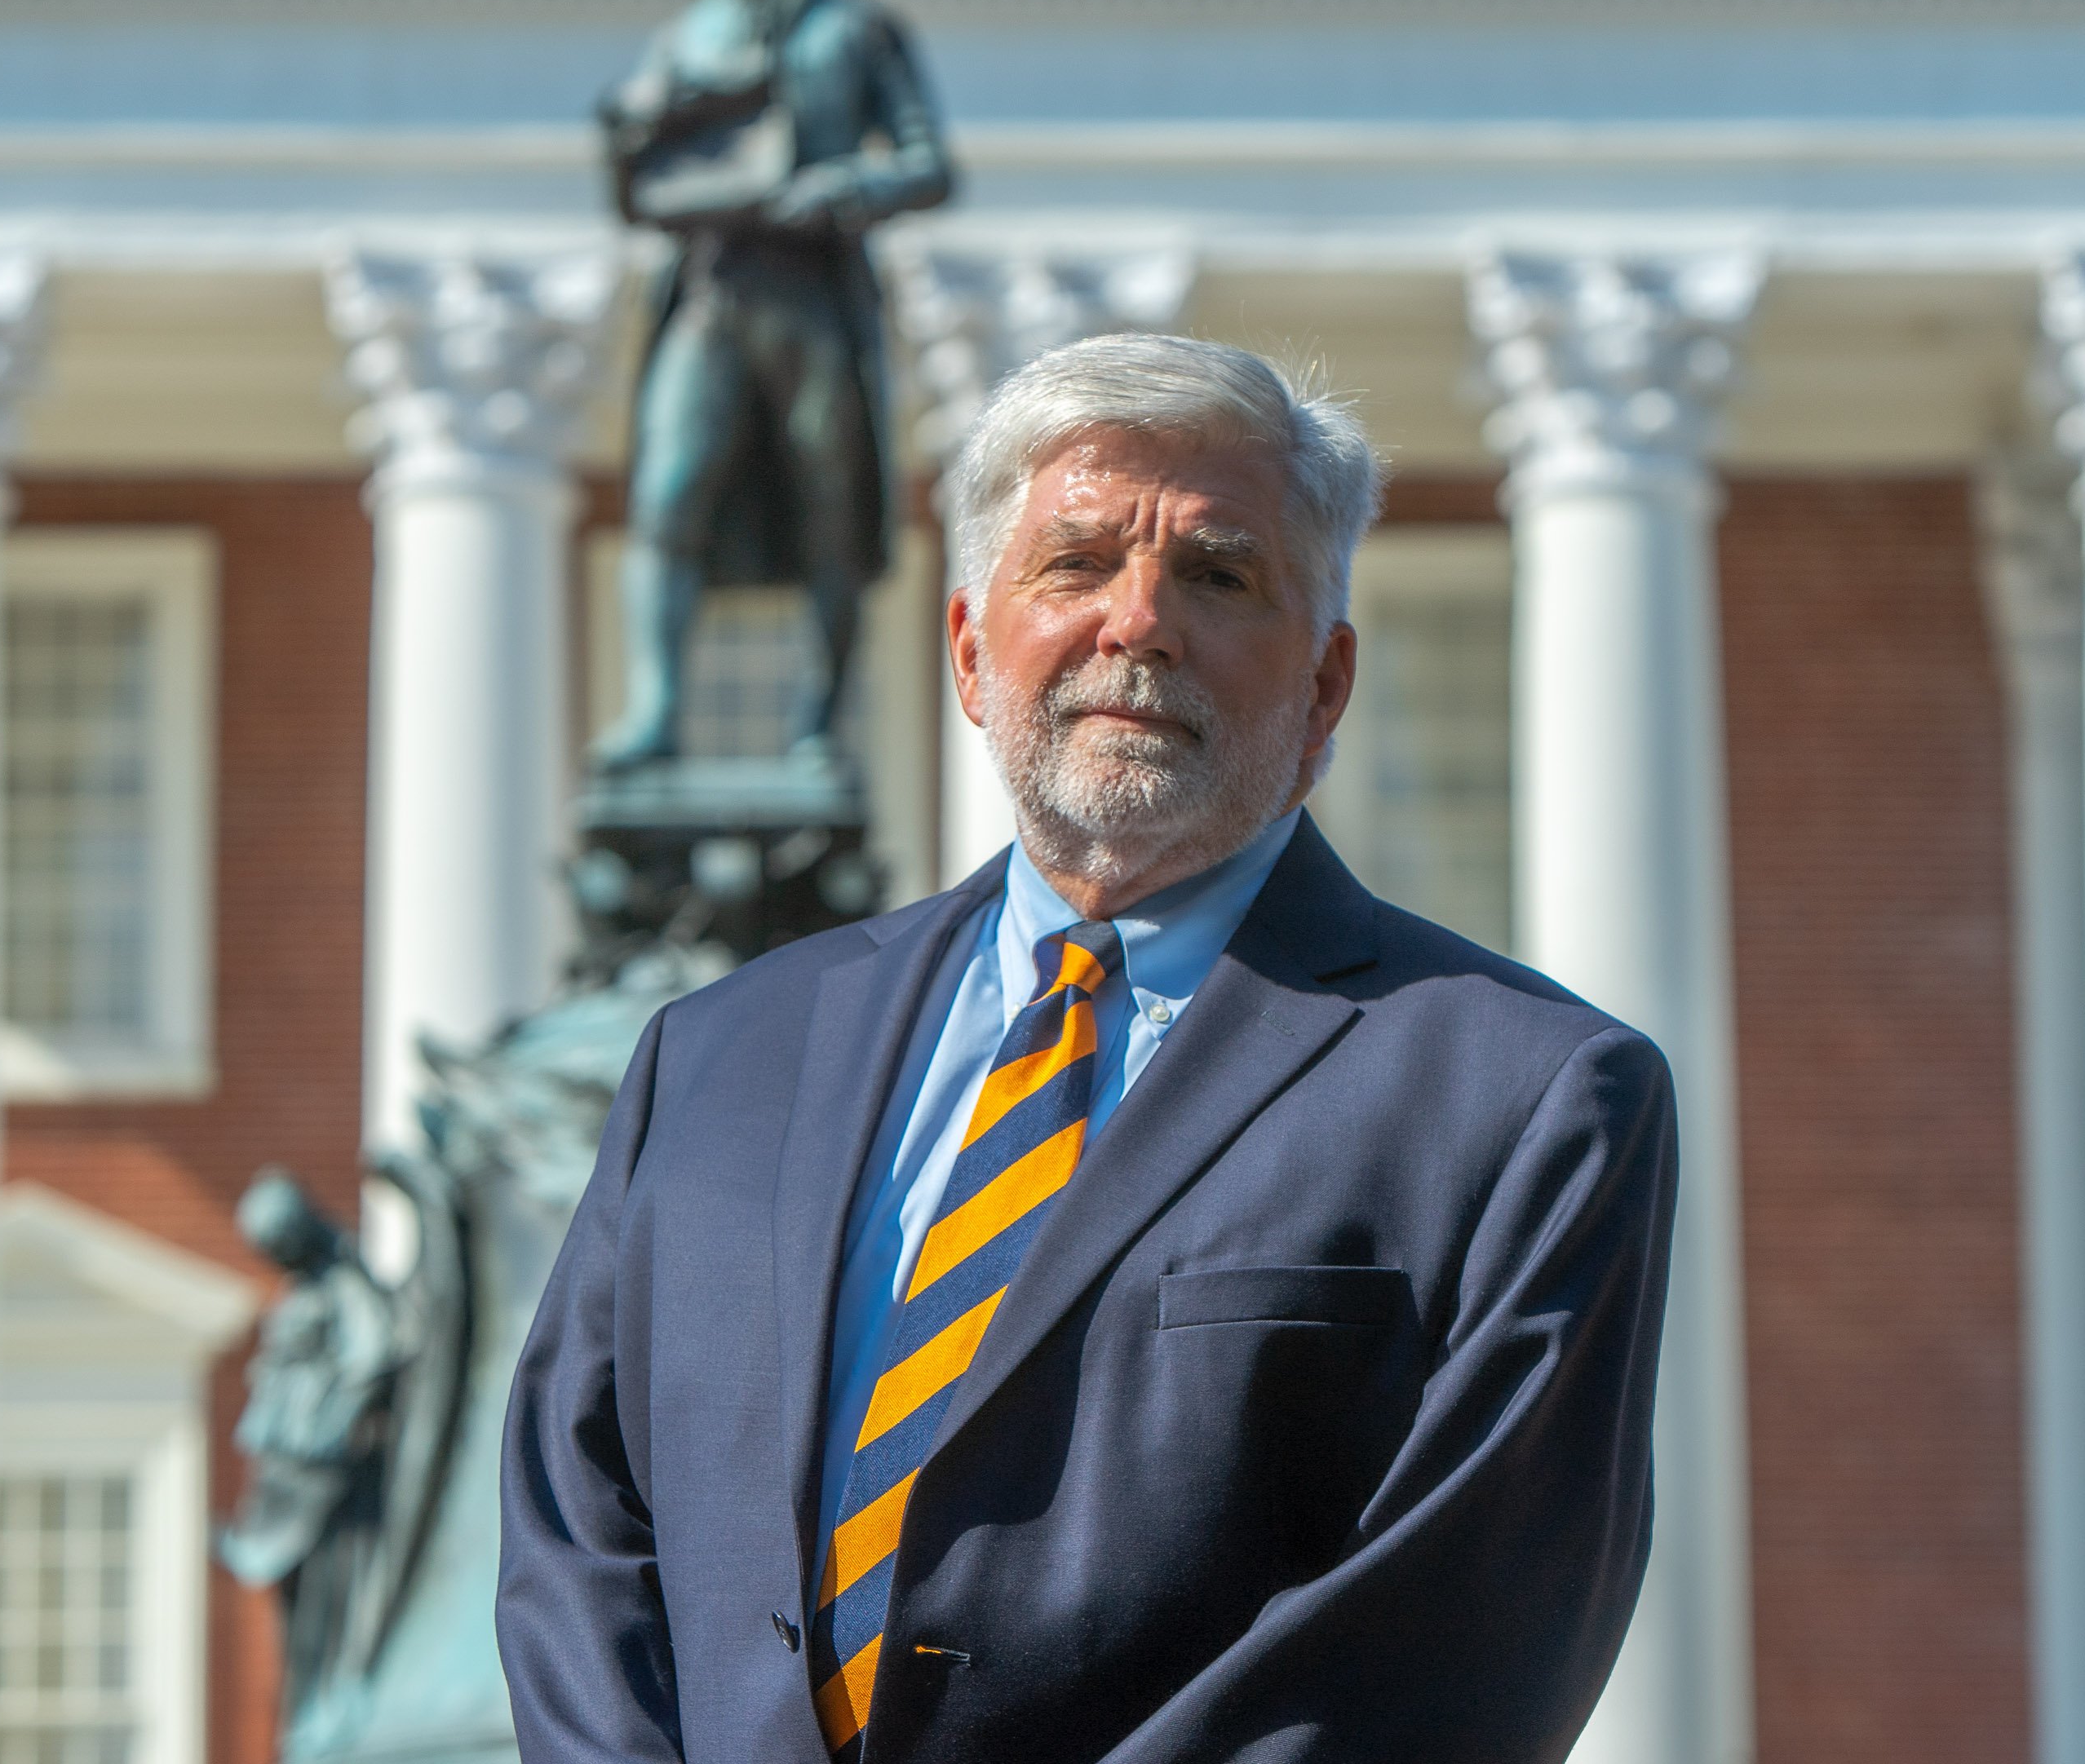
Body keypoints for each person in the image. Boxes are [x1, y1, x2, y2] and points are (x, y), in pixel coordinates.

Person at [498, 333, 1676, 1764]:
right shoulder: (722, 1055)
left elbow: (1443, 1650)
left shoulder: (1528, 1099)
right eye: (1075, 564)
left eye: (1220, 574)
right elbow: (579, 1521)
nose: (1140, 622)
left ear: (1326, 687)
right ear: (970, 652)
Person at [588, 0, 953, 771]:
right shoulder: (693, 33)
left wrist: (853, 190)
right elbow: (652, 165)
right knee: (668, 494)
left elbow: (928, 162)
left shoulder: (857, 29)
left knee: (830, 506)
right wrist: (629, 138)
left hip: (813, 295)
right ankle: (657, 714)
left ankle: (817, 726)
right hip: (713, 290)